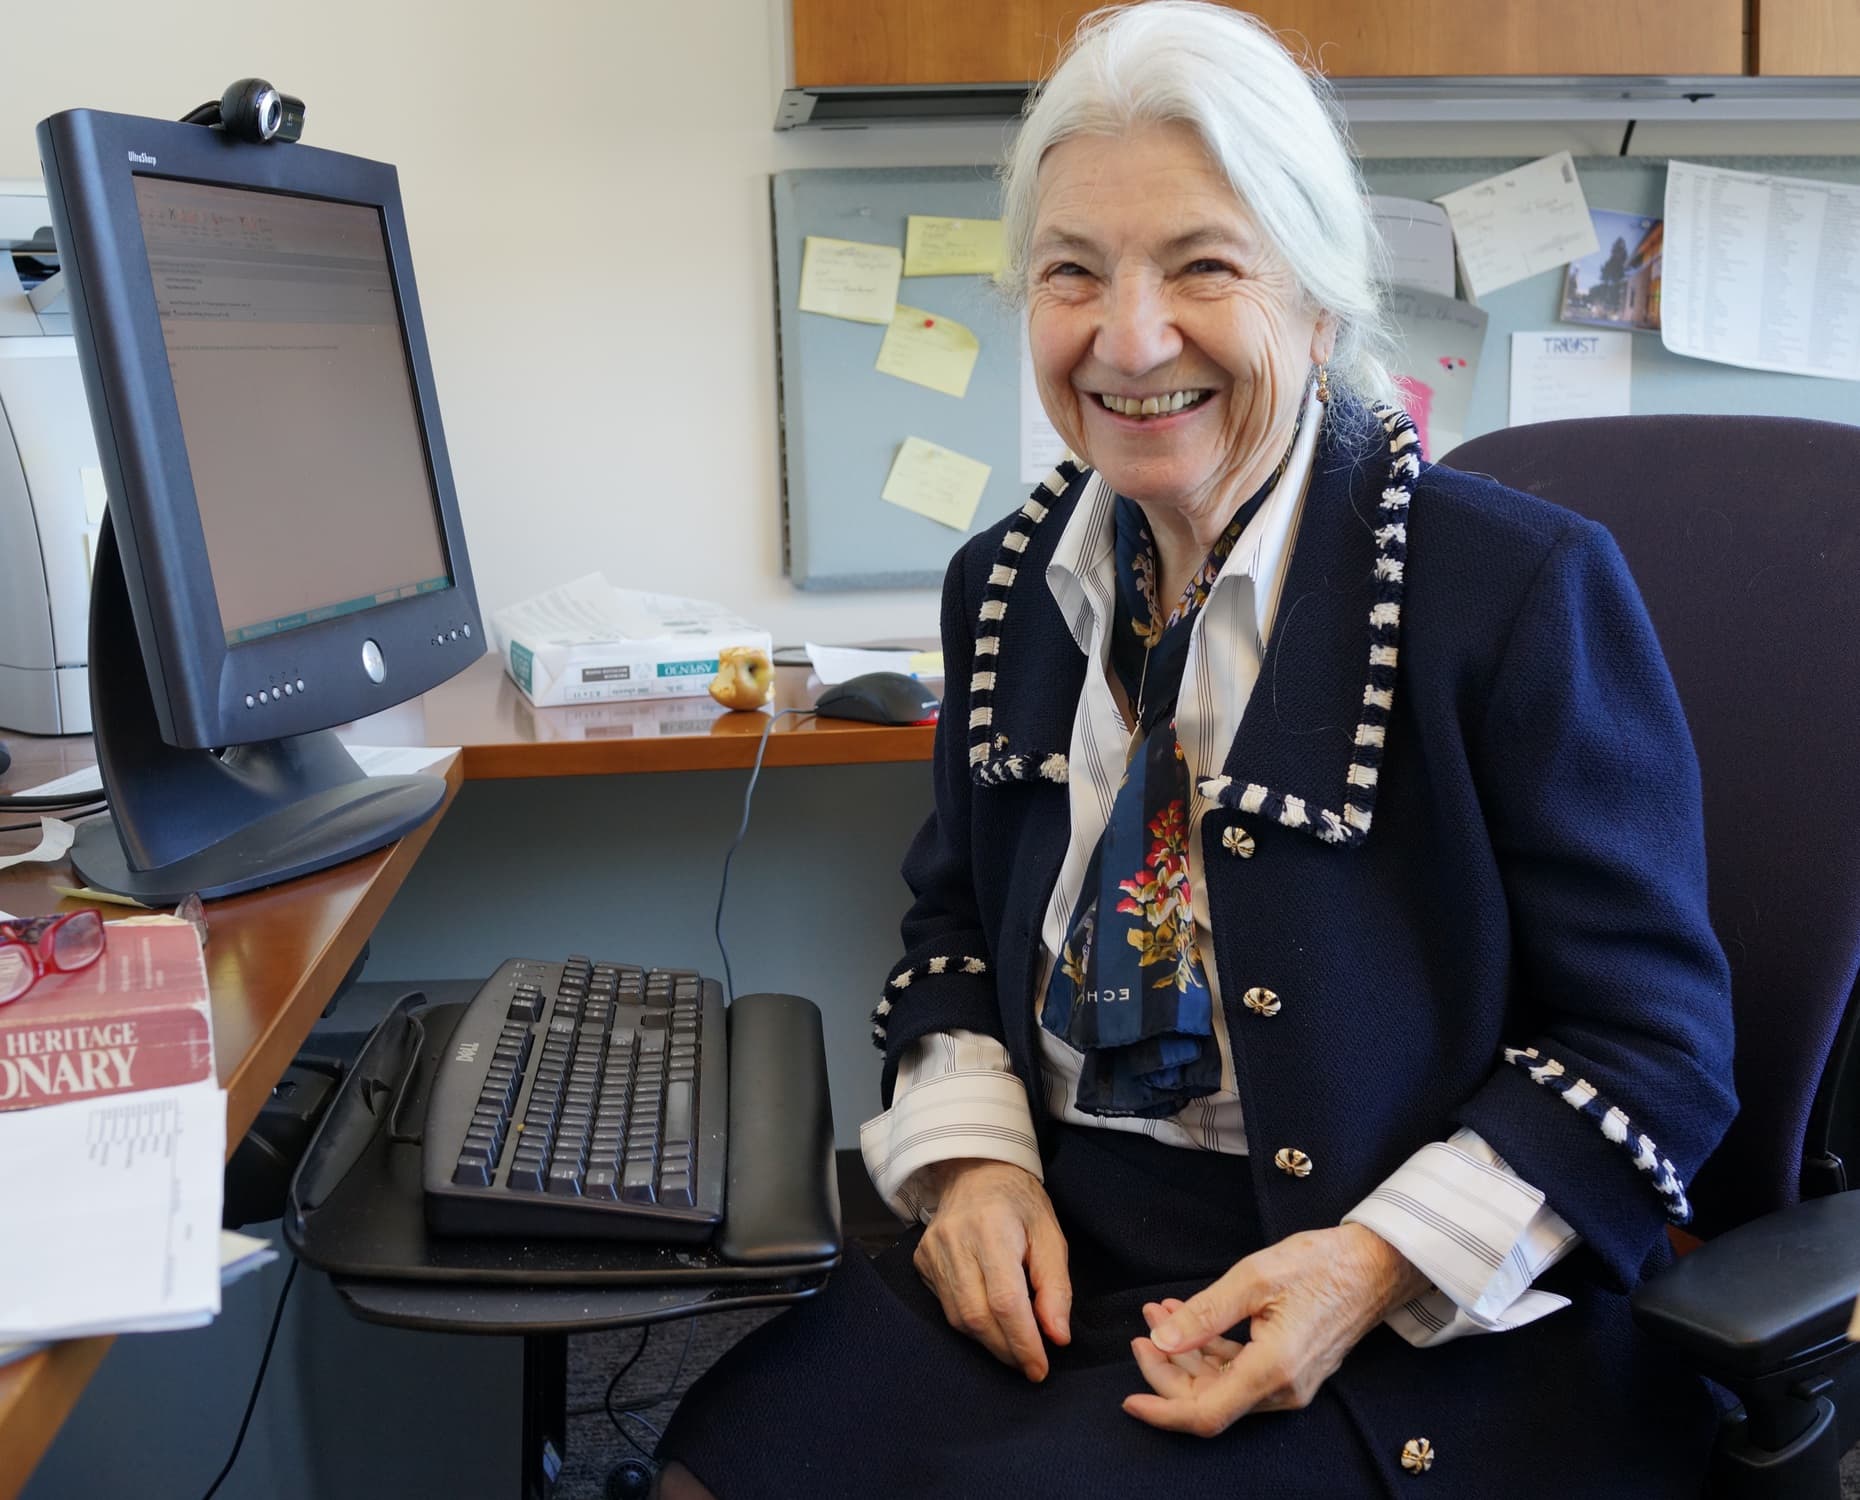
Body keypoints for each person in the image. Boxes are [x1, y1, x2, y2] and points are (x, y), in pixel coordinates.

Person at [659, 4, 1736, 1494]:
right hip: (1066, 1242)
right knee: (719, 1459)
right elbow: (955, 925)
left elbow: (1656, 1052)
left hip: (1408, 1309)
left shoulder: (1511, 592)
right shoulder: (1010, 584)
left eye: (1204, 267)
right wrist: (973, 1165)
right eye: (1072, 274)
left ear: (1316, 302)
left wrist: (1365, 1269)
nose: (1131, 338)